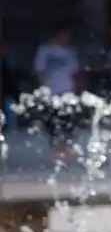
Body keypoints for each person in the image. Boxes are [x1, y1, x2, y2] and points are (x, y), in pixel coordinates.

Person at [32, 25, 82, 157]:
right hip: (51, 92)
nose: (66, 38)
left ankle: (66, 149)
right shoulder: (46, 49)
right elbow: (39, 69)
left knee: (68, 123)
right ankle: (54, 149)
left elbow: (75, 71)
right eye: (64, 35)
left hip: (67, 92)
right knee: (52, 124)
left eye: (68, 36)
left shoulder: (71, 52)